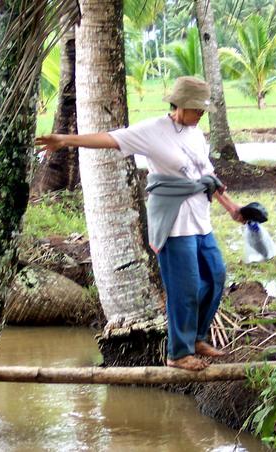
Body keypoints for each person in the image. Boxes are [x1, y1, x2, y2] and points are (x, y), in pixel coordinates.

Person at [35, 76, 244, 372]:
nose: (201, 114)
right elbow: (110, 138)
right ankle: (178, 353)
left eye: (203, 109)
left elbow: (208, 177)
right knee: (184, 289)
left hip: (200, 220)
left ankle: (196, 338)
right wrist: (65, 140)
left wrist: (232, 207)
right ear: (181, 105)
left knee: (215, 276)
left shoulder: (196, 133)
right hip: (173, 224)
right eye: (197, 108)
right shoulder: (154, 130)